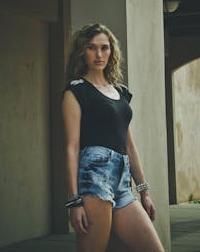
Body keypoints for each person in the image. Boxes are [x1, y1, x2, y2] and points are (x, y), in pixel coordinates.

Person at [61, 23, 165, 252]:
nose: (99, 54)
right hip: (94, 177)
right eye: (91, 48)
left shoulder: (121, 92)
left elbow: (129, 144)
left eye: (104, 48)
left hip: (122, 182)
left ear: (112, 51)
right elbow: (72, 147)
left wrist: (144, 191)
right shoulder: (76, 91)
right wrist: (74, 202)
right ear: (82, 52)